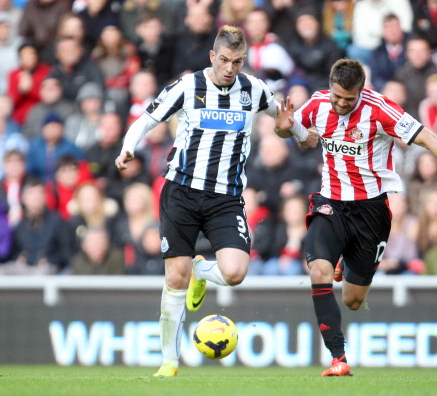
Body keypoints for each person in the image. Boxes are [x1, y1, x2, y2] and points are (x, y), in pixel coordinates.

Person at [114, 25, 318, 377]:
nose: (229, 68)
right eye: (224, 59)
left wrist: (294, 130)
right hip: (181, 191)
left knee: (236, 272)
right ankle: (169, 361)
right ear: (212, 56)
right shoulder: (187, 86)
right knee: (174, 278)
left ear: (244, 61)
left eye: (237, 61)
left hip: (226, 198)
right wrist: (128, 147)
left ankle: (201, 270)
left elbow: (294, 131)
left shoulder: (254, 90)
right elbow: (145, 120)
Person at [274, 58, 437, 376]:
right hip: (330, 203)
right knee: (318, 270)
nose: (340, 104)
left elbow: (428, 137)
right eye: (337, 96)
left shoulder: (380, 110)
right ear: (331, 86)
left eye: (348, 100)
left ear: (361, 92)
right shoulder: (319, 103)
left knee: (352, 299)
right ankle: (338, 357)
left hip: (371, 211)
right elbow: (307, 139)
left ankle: (344, 258)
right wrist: (286, 127)